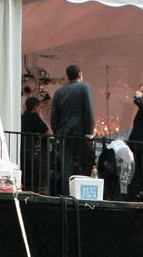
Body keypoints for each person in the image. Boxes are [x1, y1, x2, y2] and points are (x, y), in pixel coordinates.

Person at [50, 63, 95, 194]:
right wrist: (89, 133)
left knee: (66, 165)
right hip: (80, 132)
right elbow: (89, 112)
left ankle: (66, 193)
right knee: (86, 162)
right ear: (80, 74)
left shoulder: (59, 92)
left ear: (68, 76)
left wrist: (57, 132)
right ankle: (83, 192)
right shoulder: (85, 87)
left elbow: (54, 116)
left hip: (63, 132)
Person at [20, 92, 51, 192]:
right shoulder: (34, 117)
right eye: (40, 107)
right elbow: (49, 132)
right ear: (35, 107)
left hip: (21, 150)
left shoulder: (22, 117)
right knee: (42, 170)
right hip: (30, 150)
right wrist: (41, 117)